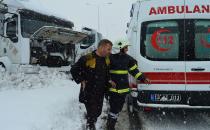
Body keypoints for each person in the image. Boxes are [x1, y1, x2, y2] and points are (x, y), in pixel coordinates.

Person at [70, 39, 115, 130]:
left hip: (100, 91)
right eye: (108, 49)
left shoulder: (106, 60)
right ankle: (90, 125)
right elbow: (74, 69)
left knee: (97, 112)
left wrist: (109, 81)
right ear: (101, 47)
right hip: (89, 91)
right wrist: (81, 80)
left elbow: (106, 73)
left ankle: (92, 121)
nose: (110, 52)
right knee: (92, 112)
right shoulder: (88, 58)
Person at [106, 39, 150, 130]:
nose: (127, 49)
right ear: (120, 47)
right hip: (112, 90)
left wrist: (143, 78)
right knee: (114, 109)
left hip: (123, 90)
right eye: (125, 47)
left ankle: (111, 122)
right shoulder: (108, 58)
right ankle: (110, 126)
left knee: (118, 109)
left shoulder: (128, 59)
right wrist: (108, 81)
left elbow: (134, 71)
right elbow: (103, 71)